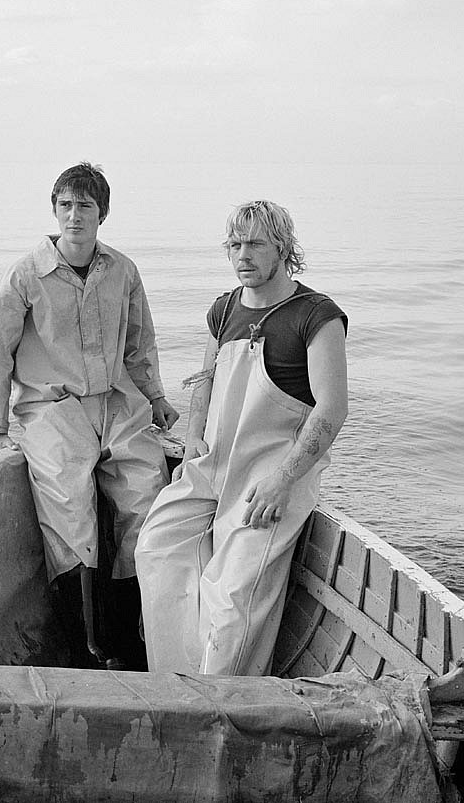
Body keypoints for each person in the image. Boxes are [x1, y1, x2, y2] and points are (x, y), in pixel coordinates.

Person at [0, 161, 178, 668]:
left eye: (85, 205)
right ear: (54, 211)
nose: (74, 215)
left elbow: (139, 344)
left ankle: (133, 638)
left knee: (146, 496)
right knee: (70, 511)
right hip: (52, 408)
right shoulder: (26, 274)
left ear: (102, 213)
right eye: (65, 205)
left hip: (116, 402)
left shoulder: (123, 270)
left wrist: (155, 398)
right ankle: (87, 647)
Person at [135, 199, 348, 677]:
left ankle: (226, 698)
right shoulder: (224, 308)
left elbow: (332, 411)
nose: (242, 256)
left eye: (254, 244)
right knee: (156, 548)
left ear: (282, 247)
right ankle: (179, 685)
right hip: (211, 464)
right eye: (234, 245)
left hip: (268, 479)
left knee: (232, 599)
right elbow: (205, 382)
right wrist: (192, 437)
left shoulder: (316, 316)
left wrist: (284, 479)